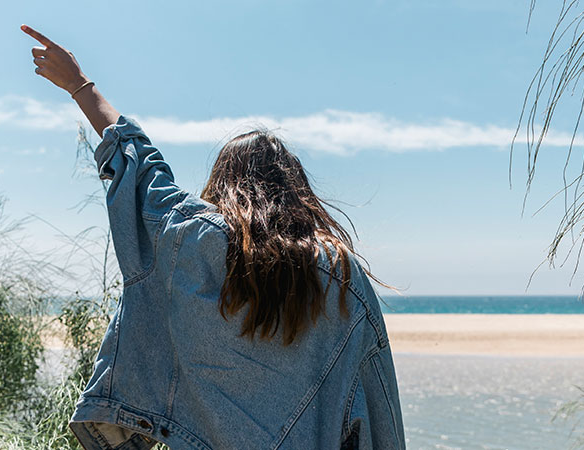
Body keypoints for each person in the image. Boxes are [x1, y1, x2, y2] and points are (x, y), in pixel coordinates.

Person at [22, 24, 404, 450]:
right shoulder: (340, 276)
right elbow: (379, 413)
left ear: (223, 182)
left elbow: (138, 163)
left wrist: (78, 84)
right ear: (298, 192)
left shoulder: (188, 238)